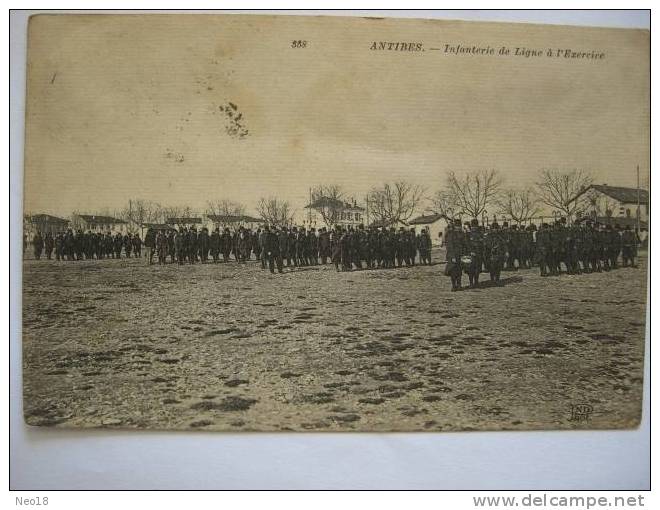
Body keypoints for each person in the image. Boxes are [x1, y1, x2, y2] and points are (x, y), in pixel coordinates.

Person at [443, 219, 465, 291]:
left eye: (459, 226)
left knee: (459, 271)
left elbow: (464, 245)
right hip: (452, 255)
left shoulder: (462, 234)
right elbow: (449, 246)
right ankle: (454, 286)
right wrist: (453, 256)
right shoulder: (450, 234)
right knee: (453, 271)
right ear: (455, 226)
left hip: (460, 255)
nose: (459, 228)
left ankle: (459, 285)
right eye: (457, 226)